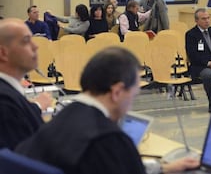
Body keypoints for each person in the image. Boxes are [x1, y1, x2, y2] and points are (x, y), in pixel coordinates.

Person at [16, 47, 199, 174]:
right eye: (133, 93)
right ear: (117, 91)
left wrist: (163, 168)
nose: (132, 101)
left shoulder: (63, 116)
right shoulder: (109, 139)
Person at [0, 18, 52, 149]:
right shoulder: (5, 102)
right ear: (3, 53)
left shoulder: (10, 92)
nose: (35, 46)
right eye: (26, 41)